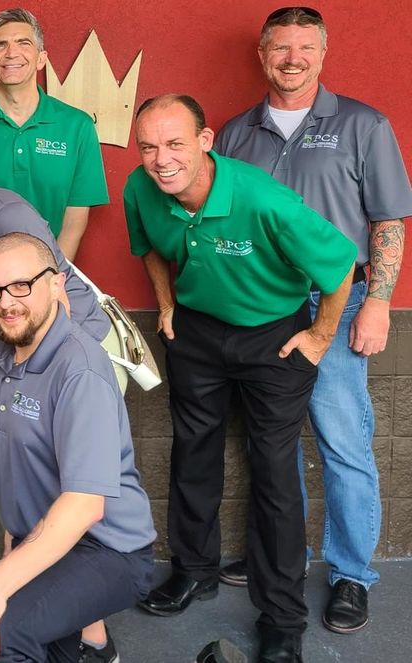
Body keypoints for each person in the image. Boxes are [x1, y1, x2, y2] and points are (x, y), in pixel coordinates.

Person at [127, 94, 356, 663]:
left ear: (205, 142)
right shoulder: (140, 187)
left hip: (273, 337)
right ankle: (194, 571)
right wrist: (166, 304)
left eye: (175, 143)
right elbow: (152, 249)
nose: (161, 159)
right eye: (149, 146)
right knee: (192, 450)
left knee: (274, 469)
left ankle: (282, 618)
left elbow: (340, 264)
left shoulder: (262, 198)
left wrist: (319, 339)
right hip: (197, 332)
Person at [213, 6, 412, 634]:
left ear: (323, 54)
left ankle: (353, 573)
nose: (292, 59)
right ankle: (284, 557)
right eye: (280, 48)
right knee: (271, 445)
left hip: (338, 302)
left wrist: (376, 300)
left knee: (342, 441)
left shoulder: (362, 124)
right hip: (260, 309)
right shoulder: (235, 133)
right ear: (263, 55)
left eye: (305, 47)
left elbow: (387, 220)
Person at [0, 232, 156, 663]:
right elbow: (18, 467)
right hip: (47, 538)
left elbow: (84, 507)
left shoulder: (79, 370)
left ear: (57, 283)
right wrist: (13, 545)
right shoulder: (8, 352)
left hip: (108, 550)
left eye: (21, 285)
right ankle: (95, 652)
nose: (7, 302)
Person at [0, 8, 108, 260]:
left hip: (50, 271)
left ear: (41, 59)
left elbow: (73, 222)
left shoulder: (77, 126)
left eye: (23, 43)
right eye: (0, 45)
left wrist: (52, 276)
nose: (11, 53)